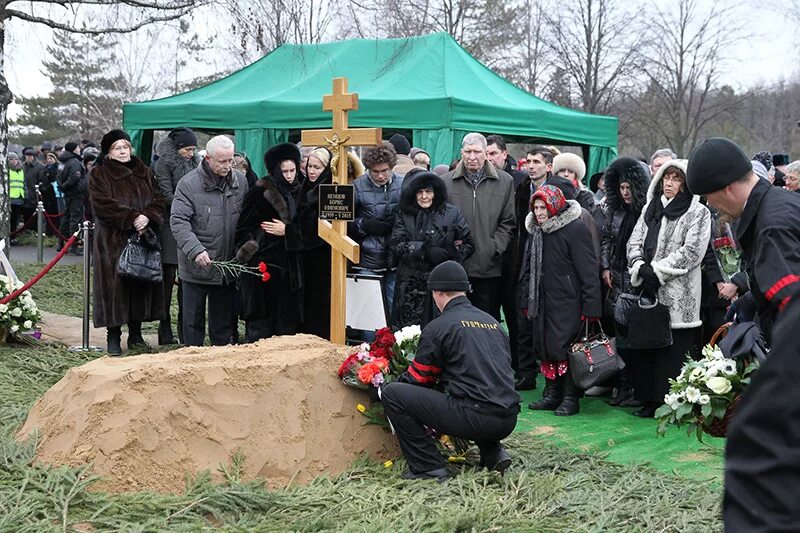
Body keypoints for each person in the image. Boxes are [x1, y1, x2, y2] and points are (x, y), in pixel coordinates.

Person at [685, 137, 800, 531]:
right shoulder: (774, 207)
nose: (712, 209)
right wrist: (750, 303)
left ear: (729, 188)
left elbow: (794, 308)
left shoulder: (772, 225)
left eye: (710, 199)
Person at [381, 260, 521, 481]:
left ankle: (428, 466)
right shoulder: (493, 323)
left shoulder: (439, 327)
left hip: (474, 417)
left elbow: (419, 379)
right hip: (508, 419)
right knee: (474, 391)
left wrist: (386, 385)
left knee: (393, 394)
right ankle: (493, 452)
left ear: (438, 293)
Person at [625, 159, 710, 418]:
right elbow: (634, 241)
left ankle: (673, 404)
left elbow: (693, 251)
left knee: (674, 351)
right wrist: (640, 266)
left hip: (679, 291)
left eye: (676, 179)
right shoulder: (650, 208)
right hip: (648, 291)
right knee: (649, 348)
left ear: (685, 185)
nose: (669, 183)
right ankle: (649, 400)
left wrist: (658, 271)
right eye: (666, 178)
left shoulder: (698, 212)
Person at [524, 185, 601, 416]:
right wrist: (526, 300)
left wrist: (591, 307)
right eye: (535, 207)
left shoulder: (575, 228)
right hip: (542, 300)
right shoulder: (537, 231)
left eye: (543, 207)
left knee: (567, 348)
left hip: (568, 300)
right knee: (547, 346)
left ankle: (570, 397)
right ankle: (551, 393)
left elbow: (588, 270)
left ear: (554, 206)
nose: (539, 213)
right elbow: (529, 268)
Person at [89, 129, 165, 355]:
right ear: (109, 152)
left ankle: (136, 334)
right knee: (115, 288)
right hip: (113, 241)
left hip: (142, 238)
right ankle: (113, 336)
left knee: (139, 283)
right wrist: (131, 218)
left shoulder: (145, 172)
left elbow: (160, 198)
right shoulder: (100, 174)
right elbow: (102, 205)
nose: (123, 151)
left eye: (125, 146)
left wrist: (148, 216)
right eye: (117, 148)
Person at [171, 135, 248, 346]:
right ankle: (191, 365)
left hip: (225, 268)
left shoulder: (240, 182)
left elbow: (246, 219)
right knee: (192, 324)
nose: (228, 165)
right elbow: (179, 222)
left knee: (222, 326)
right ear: (208, 159)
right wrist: (196, 250)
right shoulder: (188, 184)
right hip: (196, 268)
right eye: (222, 161)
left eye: (230, 160)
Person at [442, 133, 515, 321]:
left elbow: (508, 222)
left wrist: (493, 247)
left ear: (485, 153)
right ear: (461, 153)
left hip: (488, 267)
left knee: (485, 321)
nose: (472, 157)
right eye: (468, 151)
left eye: (477, 152)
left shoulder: (504, 181)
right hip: (456, 265)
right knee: (456, 322)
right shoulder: (446, 182)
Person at [234, 143, 304, 342]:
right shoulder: (259, 191)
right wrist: (252, 250)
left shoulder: (301, 191)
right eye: (284, 171)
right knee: (260, 331)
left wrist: (289, 232)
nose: (289, 175)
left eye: (293, 170)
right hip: (263, 270)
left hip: (290, 270)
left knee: (287, 330)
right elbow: (243, 228)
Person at [390, 171, 474, 328]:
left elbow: (468, 243)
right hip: (409, 284)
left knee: (440, 329)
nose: (424, 197)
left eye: (428, 191)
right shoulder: (404, 213)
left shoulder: (451, 212)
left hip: (441, 283)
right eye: (419, 192)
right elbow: (396, 243)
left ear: (435, 192)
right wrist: (423, 250)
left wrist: (449, 254)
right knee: (408, 335)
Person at [599, 157, 651, 406]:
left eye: (630, 187)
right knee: (617, 333)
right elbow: (606, 239)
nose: (625, 192)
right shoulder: (615, 210)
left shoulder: (648, 212)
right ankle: (622, 386)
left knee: (635, 336)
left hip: (638, 278)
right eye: (621, 187)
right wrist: (605, 266)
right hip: (616, 277)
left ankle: (635, 388)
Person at [510, 145, 554, 390]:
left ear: (548, 166)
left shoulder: (558, 191)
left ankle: (550, 378)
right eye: (528, 161)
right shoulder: (520, 189)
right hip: (522, 261)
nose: (531, 165)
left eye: (536, 161)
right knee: (521, 322)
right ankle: (526, 373)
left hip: (548, 263)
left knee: (546, 325)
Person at [154, 127, 199, 345]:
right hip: (170, 227)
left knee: (187, 281)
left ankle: (186, 329)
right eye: (187, 149)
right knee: (167, 281)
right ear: (178, 148)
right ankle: (164, 328)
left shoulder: (195, 163)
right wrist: (187, 208)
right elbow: (165, 192)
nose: (191, 153)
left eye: (193, 149)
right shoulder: (163, 163)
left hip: (192, 225)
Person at [349, 142, 404, 317]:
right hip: (368, 259)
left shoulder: (403, 185)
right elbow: (344, 222)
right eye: (375, 171)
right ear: (368, 169)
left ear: (392, 167)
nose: (381, 176)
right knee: (370, 314)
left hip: (395, 258)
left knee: (393, 309)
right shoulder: (357, 186)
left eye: (385, 170)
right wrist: (364, 225)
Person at [287, 147, 333, 339]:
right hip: (303, 260)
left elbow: (321, 231)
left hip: (323, 260)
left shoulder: (331, 191)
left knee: (319, 307)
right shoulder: (304, 187)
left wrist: (289, 233)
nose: (312, 171)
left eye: (317, 167)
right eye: (310, 166)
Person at [57, 142, 85, 251]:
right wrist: (65, 186)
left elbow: (58, 176)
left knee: (66, 217)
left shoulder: (62, 162)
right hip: (75, 193)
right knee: (75, 218)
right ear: (73, 149)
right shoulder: (74, 162)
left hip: (67, 193)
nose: (79, 149)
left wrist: (62, 187)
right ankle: (74, 244)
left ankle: (61, 241)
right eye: (77, 147)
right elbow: (74, 177)